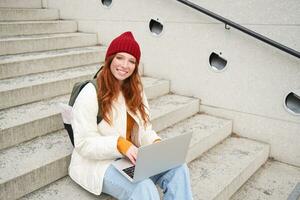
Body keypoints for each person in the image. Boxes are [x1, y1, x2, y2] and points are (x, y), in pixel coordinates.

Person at [68, 31, 193, 200]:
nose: (125, 65)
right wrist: (119, 144)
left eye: (131, 61)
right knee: (143, 187)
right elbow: (83, 143)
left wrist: (156, 144)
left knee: (178, 168)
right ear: (110, 58)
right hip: (100, 164)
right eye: (120, 57)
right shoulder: (91, 91)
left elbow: (145, 128)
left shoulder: (136, 90)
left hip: (132, 159)